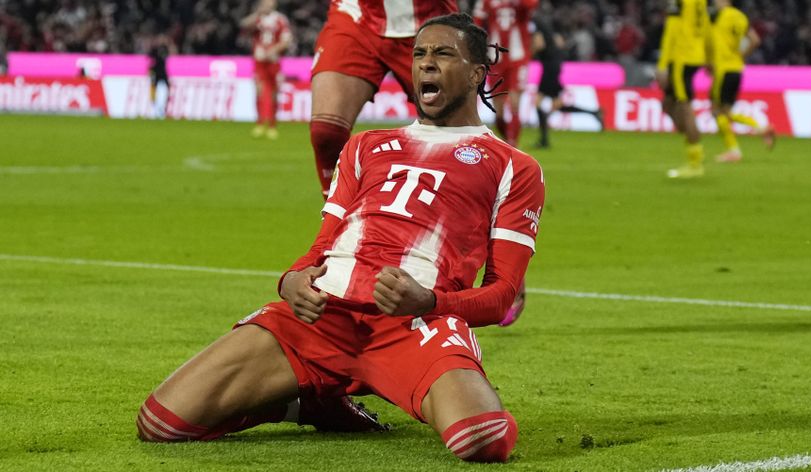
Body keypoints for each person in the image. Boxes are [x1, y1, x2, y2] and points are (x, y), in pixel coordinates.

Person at [136, 13, 545, 462]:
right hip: (324, 317)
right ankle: (313, 401)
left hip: (416, 325)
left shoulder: (513, 166)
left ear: (475, 72)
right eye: (419, 54)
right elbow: (322, 245)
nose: (425, 64)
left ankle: (405, 384)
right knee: (160, 423)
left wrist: (430, 303)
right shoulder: (365, 146)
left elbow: (502, 295)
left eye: (443, 54)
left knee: (482, 439)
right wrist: (291, 279)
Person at [309, 0, 458, 199]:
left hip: (431, 19)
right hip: (356, 16)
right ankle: (338, 220)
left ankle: (461, 217)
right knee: (326, 131)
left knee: (456, 137)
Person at [708, 0, 775, 162]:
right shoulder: (740, 16)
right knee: (726, 112)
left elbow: (709, 43)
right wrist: (741, 55)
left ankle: (734, 150)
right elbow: (755, 40)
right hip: (736, 69)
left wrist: (709, 62)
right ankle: (761, 129)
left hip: (723, 70)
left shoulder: (715, 16)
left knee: (718, 111)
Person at [472, 0, 539, 148]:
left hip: (518, 58)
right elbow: (477, 22)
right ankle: (508, 141)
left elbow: (531, 5)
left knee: (515, 103)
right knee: (499, 111)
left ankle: (513, 144)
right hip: (496, 57)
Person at [531, 14, 604, 149]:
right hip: (553, 65)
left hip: (549, 68)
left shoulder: (534, 23)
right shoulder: (542, 22)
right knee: (557, 105)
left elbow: (539, 44)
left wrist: (526, 52)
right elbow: (558, 41)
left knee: (539, 102)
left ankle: (544, 140)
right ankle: (594, 113)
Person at [657, 0, 710, 179]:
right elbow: (705, 27)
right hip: (695, 54)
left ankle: (695, 163)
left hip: (681, 57)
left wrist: (662, 64)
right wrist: (708, 55)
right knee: (668, 104)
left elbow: (672, 29)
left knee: (684, 106)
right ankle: (689, 134)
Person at [240, 0, 293, 140]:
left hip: (273, 62)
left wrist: (274, 50)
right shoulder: (257, 18)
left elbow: (286, 40)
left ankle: (272, 125)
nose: (267, 4)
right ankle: (259, 122)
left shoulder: (280, 19)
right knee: (259, 90)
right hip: (259, 61)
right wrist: (257, 14)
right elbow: (243, 25)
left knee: (274, 93)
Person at [148, 35, 176, 119]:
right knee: (154, 91)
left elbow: (173, 53)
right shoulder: (154, 50)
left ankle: (164, 109)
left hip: (163, 73)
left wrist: (169, 44)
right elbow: (149, 57)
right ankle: (154, 109)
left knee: (167, 90)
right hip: (156, 73)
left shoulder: (165, 48)